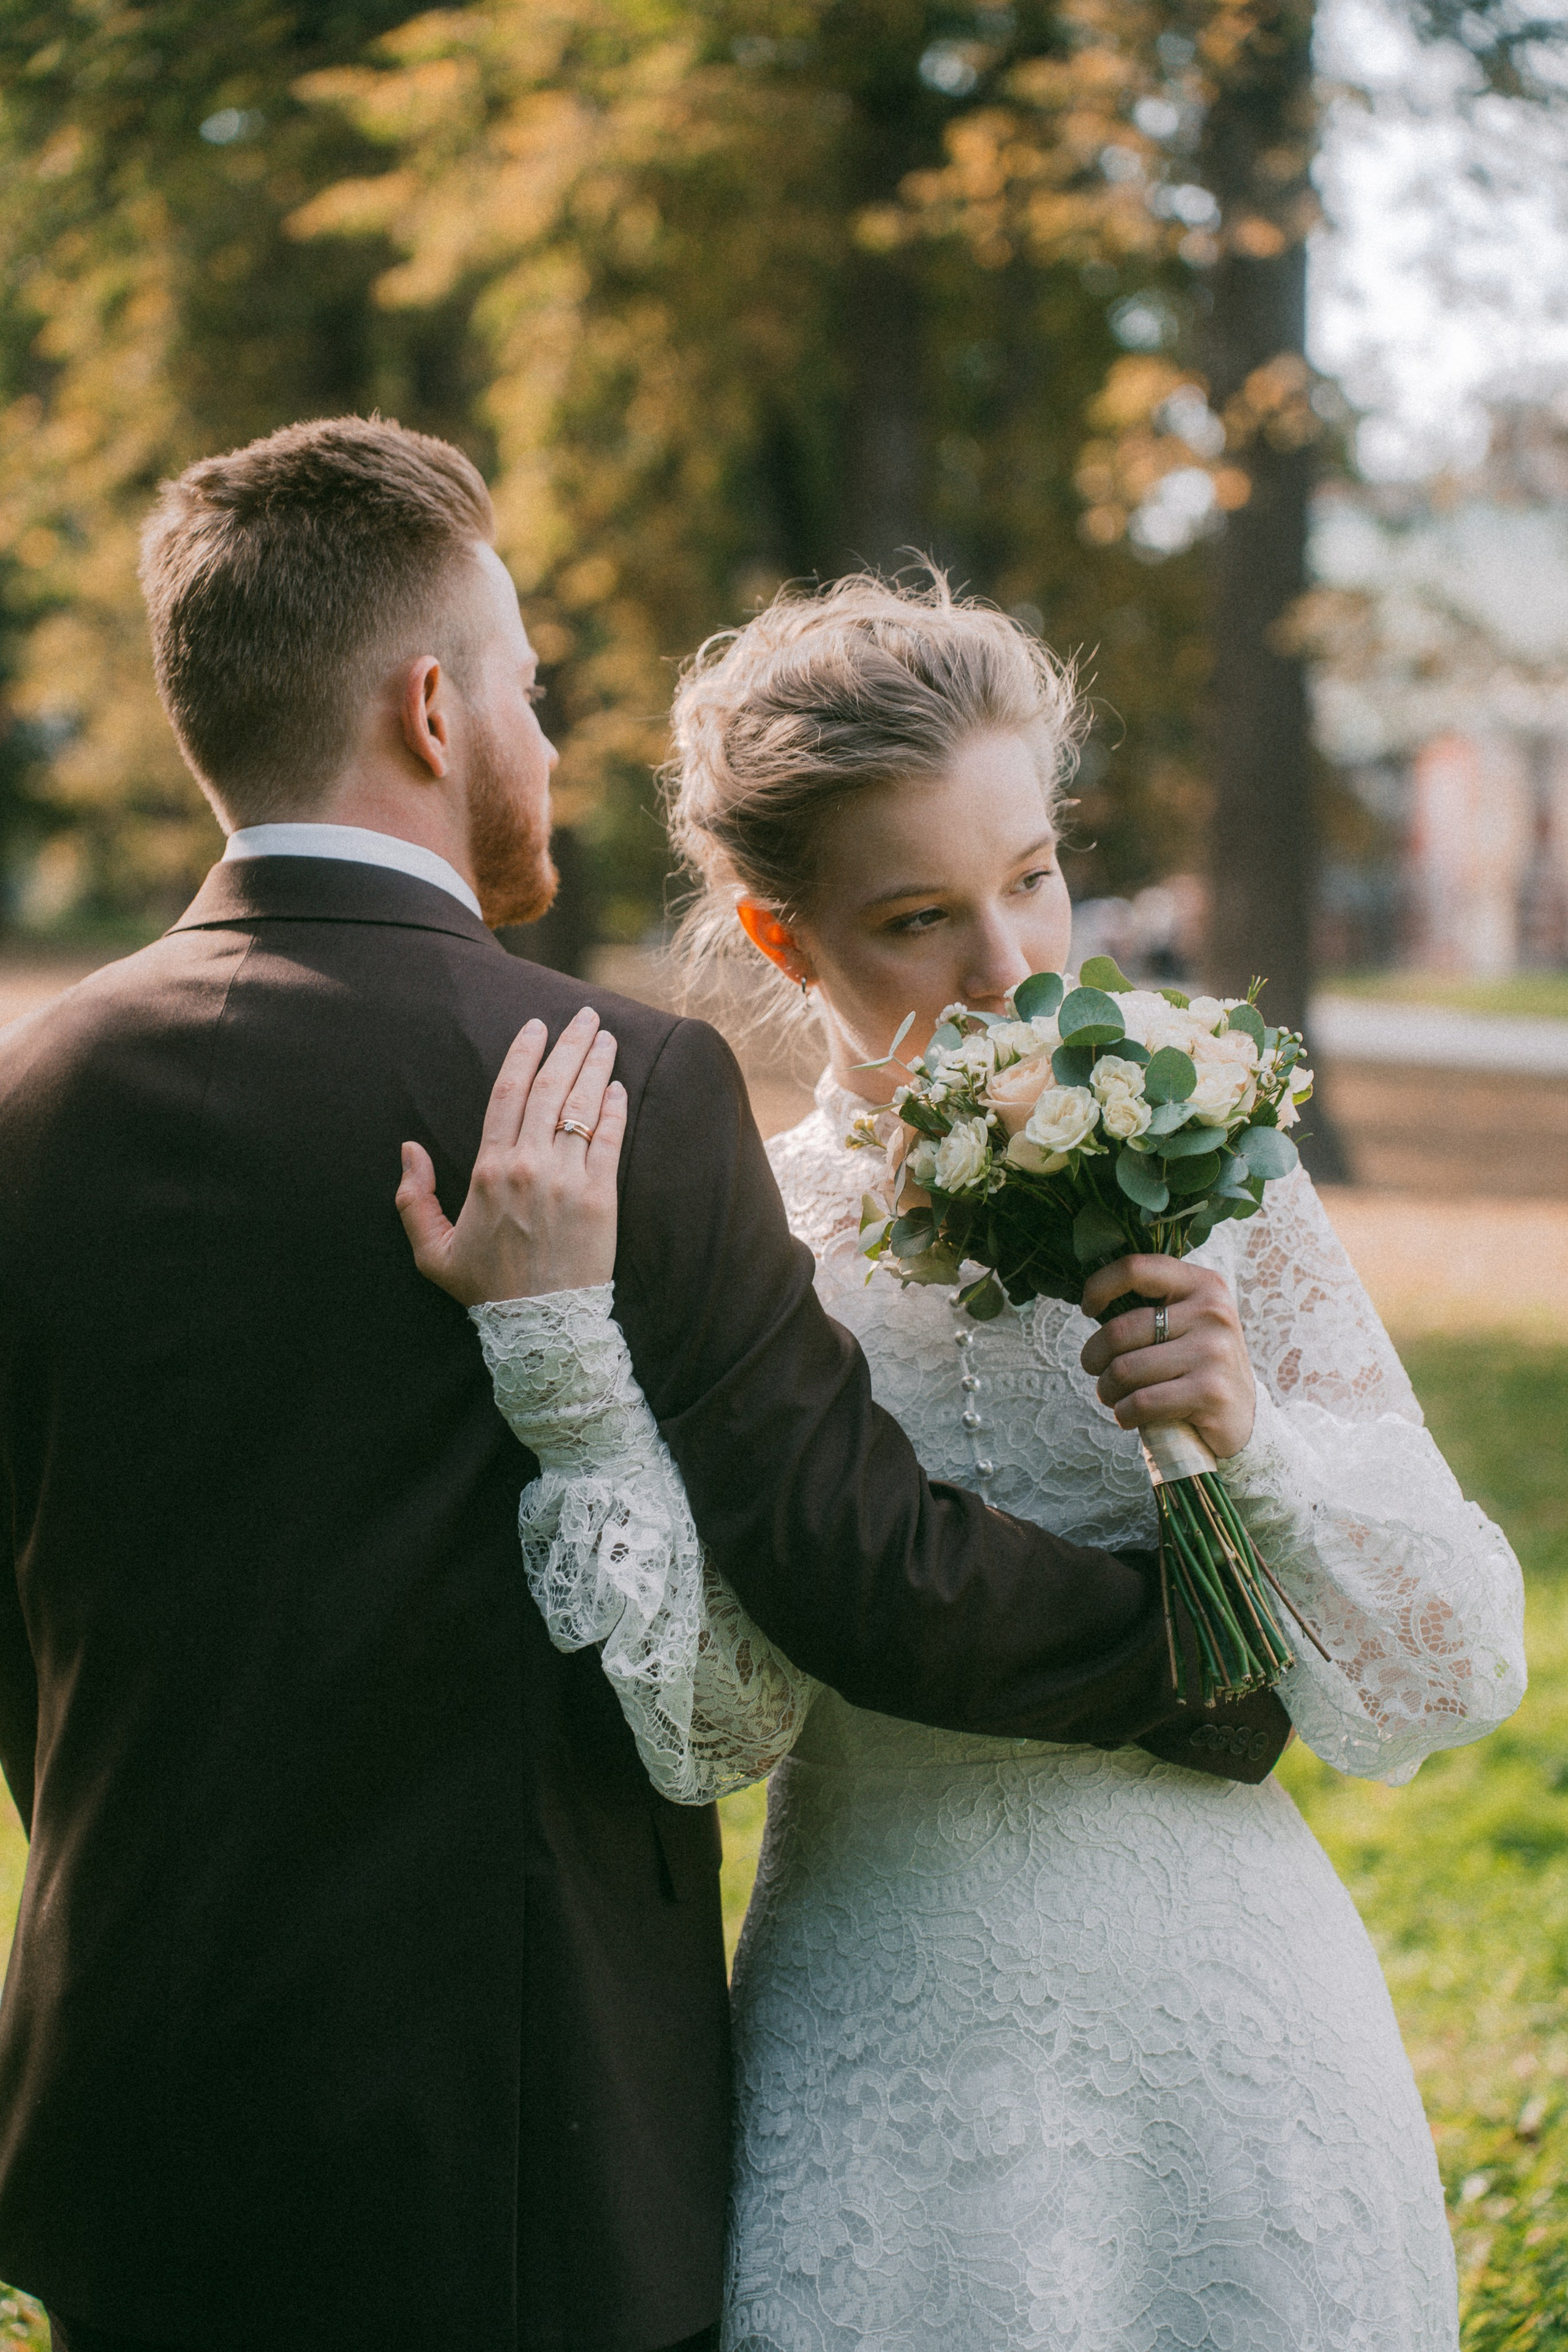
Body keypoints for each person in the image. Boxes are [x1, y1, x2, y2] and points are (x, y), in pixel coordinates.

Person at [0, 426, 1284, 2352]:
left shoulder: (38, 1093)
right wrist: (1197, 1650)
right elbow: (855, 1565)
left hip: (132, 2106)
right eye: (526, 684)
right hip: (513, 2132)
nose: (542, 728)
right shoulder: (613, 1079)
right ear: (435, 709)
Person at [417, 573, 1529, 2351]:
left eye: (1033, 880)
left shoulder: (1222, 1171)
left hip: (1233, 2021)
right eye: (922, 917)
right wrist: (571, 1377)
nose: (1013, 968)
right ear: (783, 945)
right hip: (894, 2028)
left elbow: (1453, 1667)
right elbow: (722, 1723)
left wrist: (1257, 1441)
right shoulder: (748, 1231)